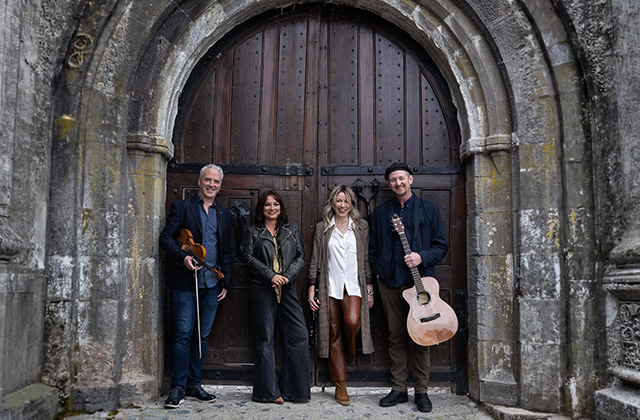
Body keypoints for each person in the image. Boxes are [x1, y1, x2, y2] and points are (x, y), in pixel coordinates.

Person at [368, 162, 449, 413]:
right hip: (390, 283)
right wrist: (377, 273)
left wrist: (421, 257)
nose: (398, 183)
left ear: (410, 179)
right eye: (393, 180)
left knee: (422, 337)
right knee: (396, 336)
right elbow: (373, 248)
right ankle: (399, 389)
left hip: (419, 284)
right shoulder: (381, 212)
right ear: (389, 184)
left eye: (401, 178)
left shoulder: (430, 210)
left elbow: (441, 246)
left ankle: (422, 391)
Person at [159, 163, 233, 409]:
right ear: (199, 182)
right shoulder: (182, 207)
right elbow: (166, 238)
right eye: (208, 180)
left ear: (220, 186)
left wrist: (226, 281)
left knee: (200, 336)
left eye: (216, 182)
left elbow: (226, 251)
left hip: (212, 283)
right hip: (185, 282)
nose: (212, 185)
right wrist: (183, 258)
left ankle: (194, 383)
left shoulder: (224, 214)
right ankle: (178, 387)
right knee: (182, 333)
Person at [307, 185, 375, 406]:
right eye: (338, 200)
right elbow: (315, 260)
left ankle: (351, 348)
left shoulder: (361, 226)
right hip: (330, 287)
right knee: (333, 332)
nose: (342, 205)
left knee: (352, 322)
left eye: (346, 201)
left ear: (352, 204)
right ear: (332, 203)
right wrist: (311, 287)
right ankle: (340, 385)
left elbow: (365, 260)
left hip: (354, 286)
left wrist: (370, 289)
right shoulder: (323, 228)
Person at [242, 190, 311, 403]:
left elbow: (300, 255)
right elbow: (248, 257)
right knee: (266, 339)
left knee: (299, 335)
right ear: (261, 209)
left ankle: (296, 391)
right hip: (262, 289)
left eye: (276, 204)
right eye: (267, 205)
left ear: (281, 207)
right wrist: (271, 276)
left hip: (288, 288)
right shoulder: (253, 232)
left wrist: (287, 277)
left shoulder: (291, 230)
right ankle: (268, 393)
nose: (272, 208)